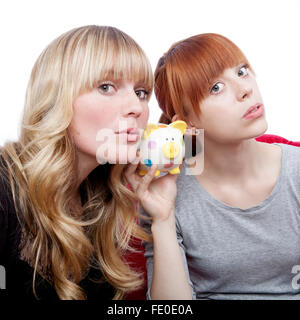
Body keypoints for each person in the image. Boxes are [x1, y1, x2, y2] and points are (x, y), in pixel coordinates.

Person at [125, 33, 300, 300]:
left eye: (242, 71)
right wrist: (162, 220)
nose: (245, 89)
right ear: (187, 122)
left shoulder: (295, 170)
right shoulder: (167, 191)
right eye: (216, 88)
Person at [0, 25, 154, 300]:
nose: (137, 106)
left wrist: (163, 217)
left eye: (141, 92)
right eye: (106, 87)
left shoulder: (104, 196)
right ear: (57, 97)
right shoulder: (4, 188)